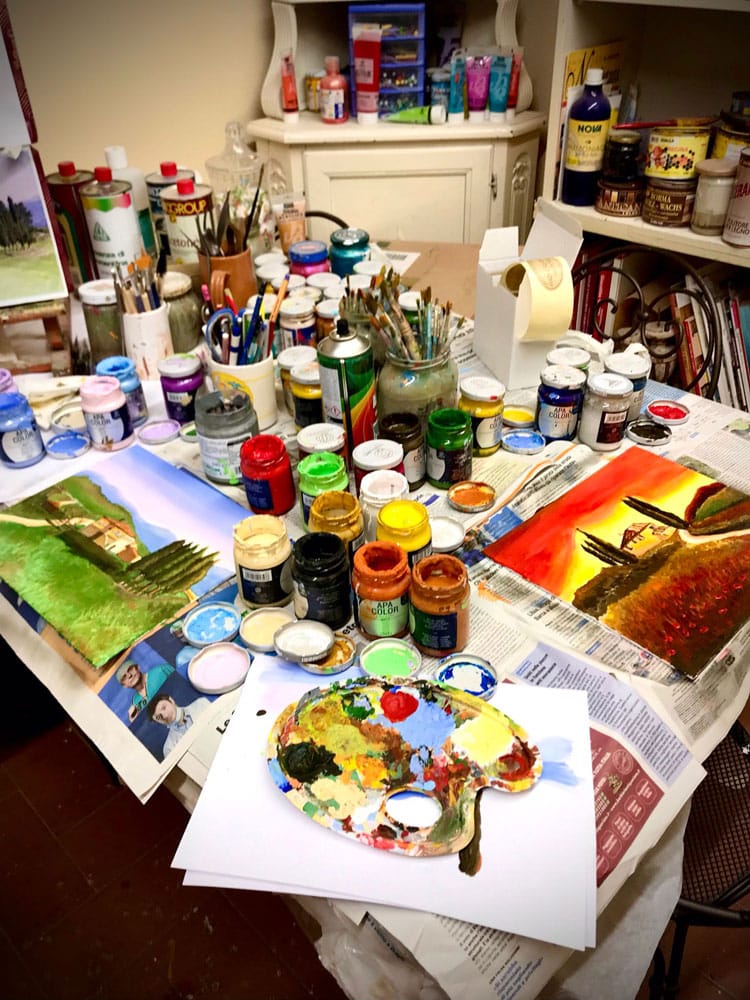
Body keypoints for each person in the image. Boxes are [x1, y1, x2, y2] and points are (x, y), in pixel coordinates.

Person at [148, 693, 211, 758]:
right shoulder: (169, 748)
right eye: (159, 717)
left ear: (171, 700)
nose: (165, 716)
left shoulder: (201, 704)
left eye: (164, 708)